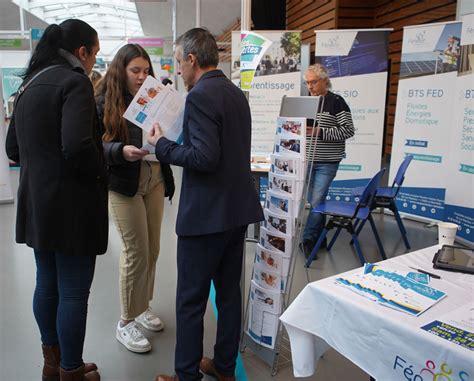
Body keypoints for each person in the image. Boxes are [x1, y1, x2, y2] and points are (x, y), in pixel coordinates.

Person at [147, 27, 264, 381]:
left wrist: (161, 146)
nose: (179, 71)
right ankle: (224, 367)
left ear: (192, 60)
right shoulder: (234, 93)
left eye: (180, 62)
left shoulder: (199, 96)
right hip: (236, 212)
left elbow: (205, 157)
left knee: (190, 302)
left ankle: (187, 375)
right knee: (229, 295)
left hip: (206, 219)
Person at [5, 19, 105, 381]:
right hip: (72, 207)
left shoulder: (28, 85)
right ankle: (71, 371)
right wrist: (100, 172)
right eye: (95, 54)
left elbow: (12, 148)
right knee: (75, 291)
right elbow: (78, 145)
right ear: (83, 52)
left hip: (37, 206)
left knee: (46, 283)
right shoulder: (74, 82)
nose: (94, 62)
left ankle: (53, 362)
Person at [95, 43, 175, 353]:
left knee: (153, 249)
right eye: (135, 71)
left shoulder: (156, 99)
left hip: (154, 178)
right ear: (121, 71)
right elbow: (94, 147)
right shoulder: (103, 103)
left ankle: (142, 307)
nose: (142, 77)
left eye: (145, 71)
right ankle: (126, 321)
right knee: (135, 251)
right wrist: (120, 150)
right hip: (123, 183)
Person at [300, 64, 355, 260]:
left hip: (327, 162)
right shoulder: (306, 102)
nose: (310, 86)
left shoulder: (337, 102)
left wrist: (319, 132)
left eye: (313, 82)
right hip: (307, 160)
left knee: (316, 202)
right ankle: (319, 239)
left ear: (324, 81)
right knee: (315, 202)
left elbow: (348, 130)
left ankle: (307, 240)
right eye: (307, 83)